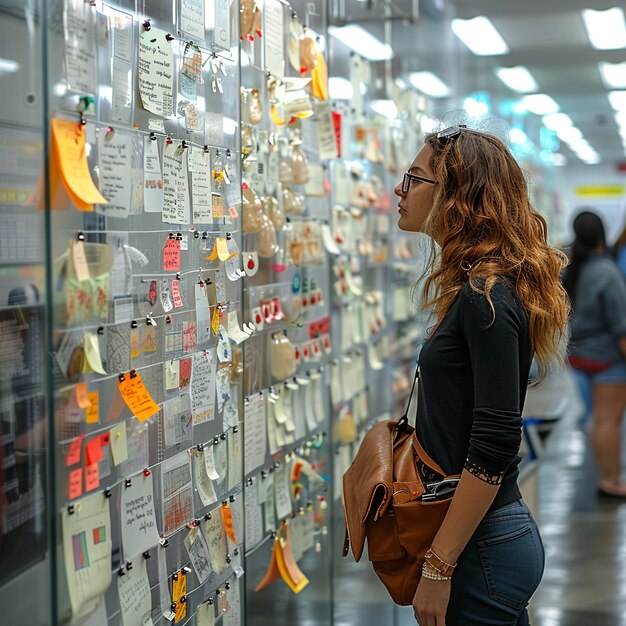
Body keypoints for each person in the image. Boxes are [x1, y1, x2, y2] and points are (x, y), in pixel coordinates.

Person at [394, 124, 569, 626]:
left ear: (455, 195)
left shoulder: (486, 296)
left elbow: (492, 443)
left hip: (482, 544)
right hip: (482, 538)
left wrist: (438, 566)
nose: (400, 190)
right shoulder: (477, 288)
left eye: (414, 177)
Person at [562, 210, 626, 498]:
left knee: (597, 418)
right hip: (607, 359)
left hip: (579, 355)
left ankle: (605, 476)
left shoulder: (572, 269)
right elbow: (620, 326)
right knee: (607, 420)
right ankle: (610, 481)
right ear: (602, 234)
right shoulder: (607, 272)